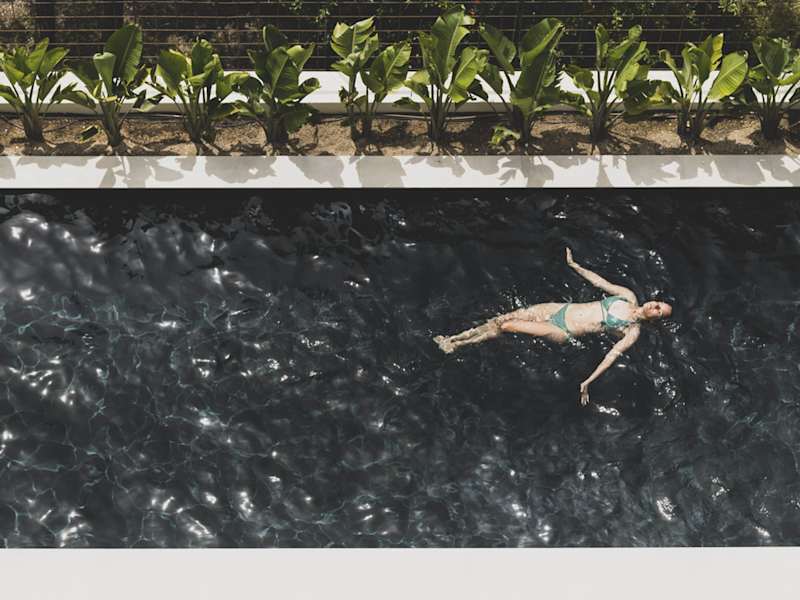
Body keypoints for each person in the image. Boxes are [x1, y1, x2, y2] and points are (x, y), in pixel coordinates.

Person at [433, 248, 672, 405]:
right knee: (501, 319)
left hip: (562, 331)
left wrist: (588, 381)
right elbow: (601, 282)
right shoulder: (628, 295)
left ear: (654, 318)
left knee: (508, 326)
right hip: (560, 309)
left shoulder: (631, 331)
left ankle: (460, 346)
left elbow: (611, 356)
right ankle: (455, 338)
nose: (655, 305)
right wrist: (575, 266)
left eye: (659, 311)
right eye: (658, 303)